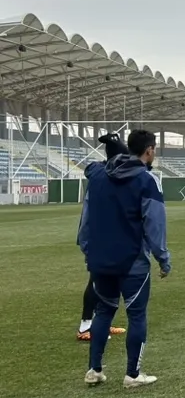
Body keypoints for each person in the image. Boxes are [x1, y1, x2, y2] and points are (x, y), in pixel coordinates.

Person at [78, 129, 171, 389]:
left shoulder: (97, 177)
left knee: (103, 311)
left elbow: (86, 219)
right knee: (137, 315)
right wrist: (163, 258)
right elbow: (155, 224)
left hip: (101, 260)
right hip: (132, 260)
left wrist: (87, 249)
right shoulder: (147, 180)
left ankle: (94, 370)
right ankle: (133, 374)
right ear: (149, 150)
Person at [76, 133, 129, 342]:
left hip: (102, 236)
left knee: (106, 281)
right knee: (96, 281)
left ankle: (100, 322)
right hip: (96, 236)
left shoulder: (102, 171)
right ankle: (85, 326)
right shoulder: (103, 176)